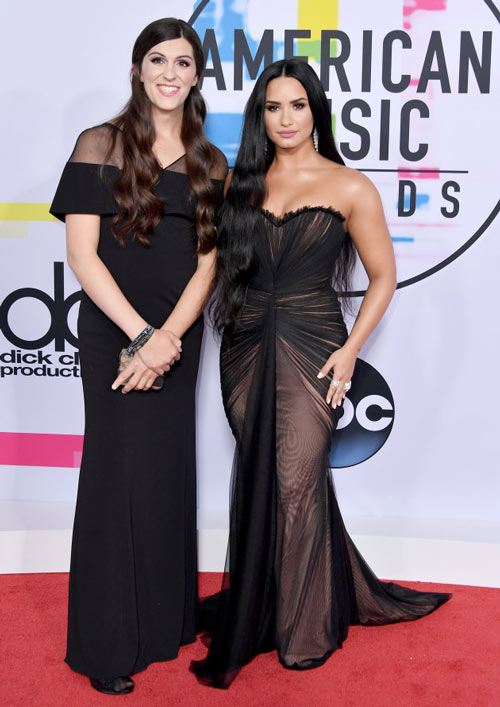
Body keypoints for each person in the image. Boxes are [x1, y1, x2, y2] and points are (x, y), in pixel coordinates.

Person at [191, 58, 450, 689]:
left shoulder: (350, 186)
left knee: (300, 476)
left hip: (316, 345)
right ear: (261, 116)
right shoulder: (237, 185)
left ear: (316, 111)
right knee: (261, 476)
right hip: (246, 345)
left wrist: (352, 349)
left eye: (297, 106)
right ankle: (265, 605)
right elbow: (207, 268)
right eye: (272, 107)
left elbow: (383, 277)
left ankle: (305, 625)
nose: (285, 119)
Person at [50, 18, 227, 695]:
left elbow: (210, 266)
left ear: (196, 77)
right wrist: (140, 337)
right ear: (136, 68)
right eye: (158, 59)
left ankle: (161, 623)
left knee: (163, 475)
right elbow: (82, 255)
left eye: (184, 63)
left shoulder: (212, 161)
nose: (170, 73)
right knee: (114, 477)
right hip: (114, 337)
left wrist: (170, 338)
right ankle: (105, 641)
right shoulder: (99, 142)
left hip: (177, 339)